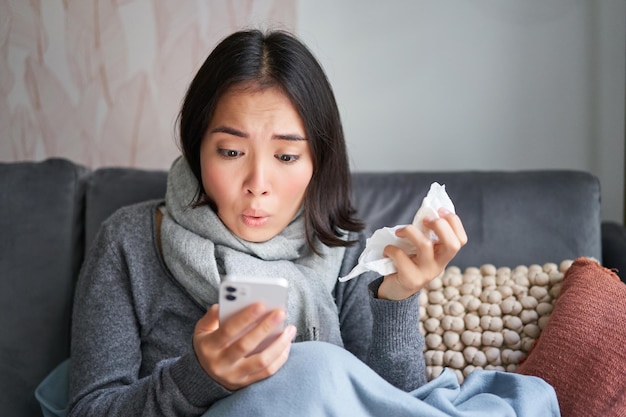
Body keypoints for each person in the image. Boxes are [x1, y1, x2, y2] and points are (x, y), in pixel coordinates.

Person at [67, 29, 558, 417]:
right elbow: (90, 409)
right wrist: (198, 377)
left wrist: (397, 300)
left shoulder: (342, 246)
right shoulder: (129, 243)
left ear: (317, 161)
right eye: (231, 151)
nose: (258, 183)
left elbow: (391, 403)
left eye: (285, 155)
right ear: (198, 150)